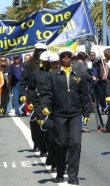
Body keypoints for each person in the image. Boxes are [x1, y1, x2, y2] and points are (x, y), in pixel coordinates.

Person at [41, 47, 91, 185]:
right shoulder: (53, 75)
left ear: (72, 58)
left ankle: (73, 176)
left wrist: (86, 112)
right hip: (59, 114)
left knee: (75, 143)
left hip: (75, 114)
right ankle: (60, 171)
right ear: (60, 59)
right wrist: (45, 107)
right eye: (64, 56)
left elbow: (84, 95)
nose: (66, 58)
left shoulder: (79, 73)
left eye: (69, 56)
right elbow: (47, 94)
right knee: (62, 144)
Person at [19, 43, 48, 156]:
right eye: (38, 50)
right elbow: (24, 80)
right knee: (35, 121)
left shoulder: (49, 64)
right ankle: (37, 142)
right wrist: (22, 94)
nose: (40, 52)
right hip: (33, 95)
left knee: (47, 121)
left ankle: (45, 145)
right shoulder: (29, 65)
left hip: (47, 95)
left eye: (43, 50)